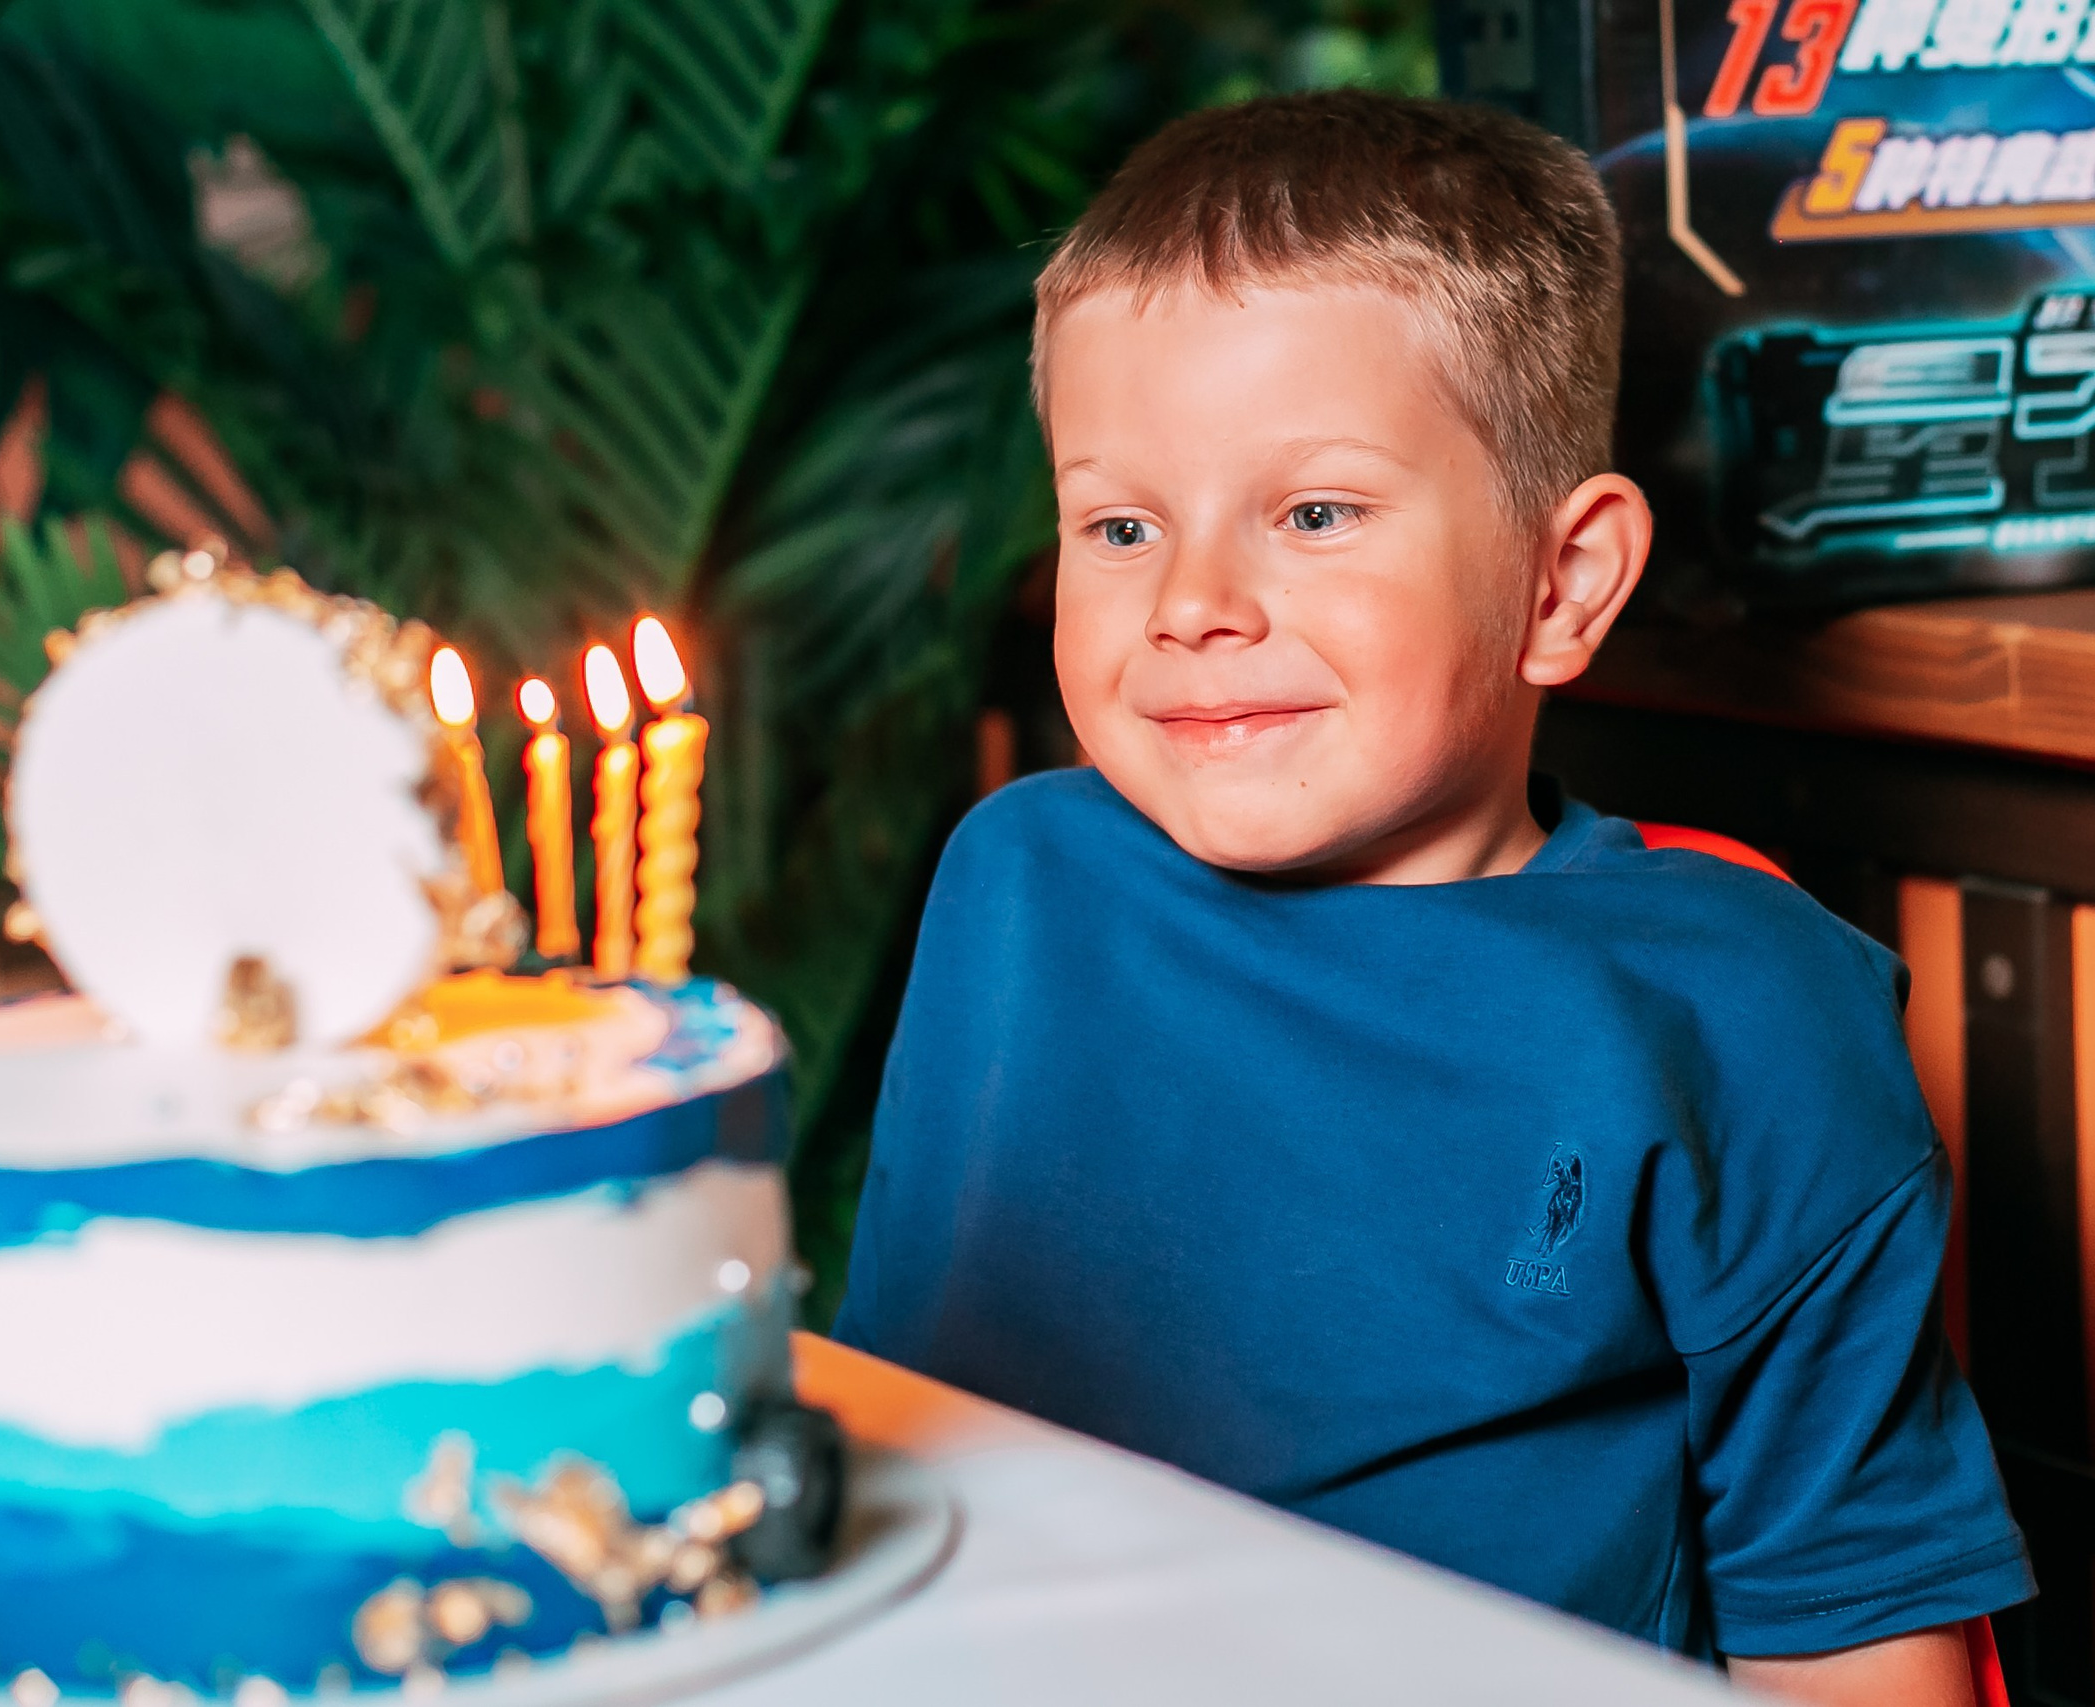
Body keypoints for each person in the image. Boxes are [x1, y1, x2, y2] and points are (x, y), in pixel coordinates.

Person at [830, 90, 2030, 1705]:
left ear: (1562, 583)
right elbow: (892, 1456)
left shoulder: (1742, 1017)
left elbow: (1854, 1647)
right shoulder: (1013, 885)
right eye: (1121, 524)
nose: (1191, 605)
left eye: (1314, 513)